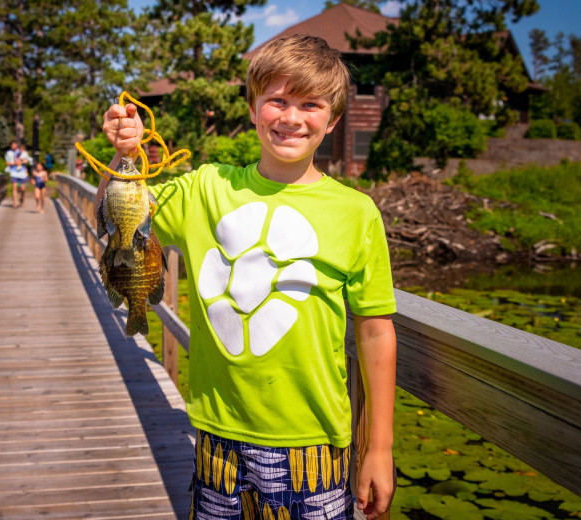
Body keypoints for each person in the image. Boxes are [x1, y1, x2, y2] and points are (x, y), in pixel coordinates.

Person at [99, 34, 397, 520]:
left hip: (315, 442)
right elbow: (120, 217)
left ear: (333, 120)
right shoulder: (206, 188)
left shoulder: (356, 213)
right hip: (216, 434)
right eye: (276, 100)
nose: (291, 117)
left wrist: (378, 448)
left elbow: (376, 331)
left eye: (311, 104)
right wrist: (125, 152)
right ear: (254, 109)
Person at [4, 140, 27, 208]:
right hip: (13, 171)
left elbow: (26, 160)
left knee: (23, 188)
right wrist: (14, 163)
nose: (13, 146)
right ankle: (15, 202)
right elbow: (7, 162)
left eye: (15, 144)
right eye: (12, 145)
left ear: (17, 145)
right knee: (15, 187)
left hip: (22, 171)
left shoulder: (21, 151)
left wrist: (21, 162)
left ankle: (22, 199)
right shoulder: (8, 153)